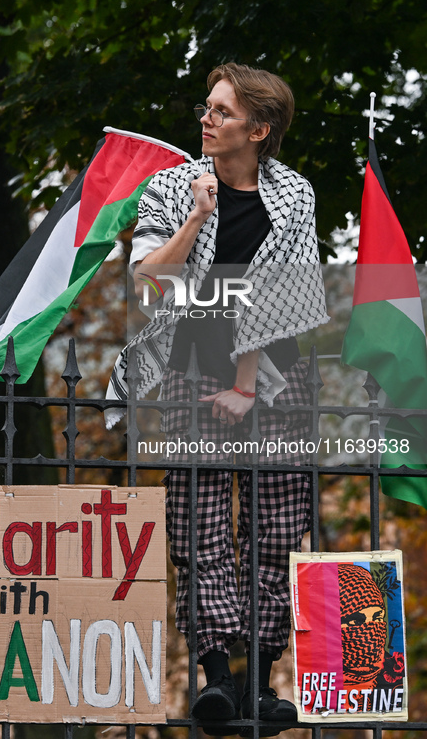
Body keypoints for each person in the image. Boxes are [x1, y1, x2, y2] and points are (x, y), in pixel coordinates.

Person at [107, 62, 328, 732]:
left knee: (275, 524)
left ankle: (260, 683)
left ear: (258, 129)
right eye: (207, 107)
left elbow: (279, 295)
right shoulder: (171, 188)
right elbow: (148, 279)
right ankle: (216, 681)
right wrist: (198, 216)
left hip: (275, 375)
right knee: (196, 519)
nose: (206, 119)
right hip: (190, 363)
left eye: (222, 112)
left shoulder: (293, 196)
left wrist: (242, 384)